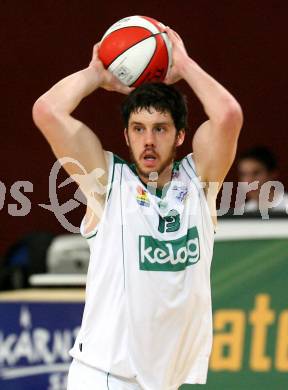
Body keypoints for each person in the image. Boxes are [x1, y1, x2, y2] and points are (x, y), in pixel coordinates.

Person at [33, 27, 243, 390]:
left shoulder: (200, 183)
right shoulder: (107, 183)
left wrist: (186, 65)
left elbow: (227, 115)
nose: (148, 141)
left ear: (180, 136)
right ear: (126, 135)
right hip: (106, 376)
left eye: (160, 129)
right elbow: (47, 111)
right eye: (138, 129)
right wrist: (95, 74)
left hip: (162, 381)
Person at [237, 146, 288, 214]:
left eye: (256, 173)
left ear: (272, 174)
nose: (249, 180)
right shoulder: (244, 210)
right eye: (244, 174)